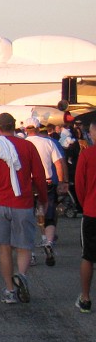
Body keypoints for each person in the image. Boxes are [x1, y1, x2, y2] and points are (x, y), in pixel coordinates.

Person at [0, 112, 47, 304]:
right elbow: (39, 176)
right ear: (14, 126)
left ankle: (10, 290)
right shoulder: (27, 146)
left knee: (4, 249)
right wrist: (43, 198)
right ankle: (22, 275)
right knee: (24, 246)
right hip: (22, 202)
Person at [24, 118, 67, 266]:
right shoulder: (48, 142)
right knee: (47, 215)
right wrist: (62, 182)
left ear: (26, 130)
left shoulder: (23, 144)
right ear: (38, 128)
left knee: (28, 218)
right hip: (46, 182)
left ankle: (31, 255)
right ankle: (48, 241)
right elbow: (59, 163)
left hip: (28, 184)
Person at [73, 110, 96, 312]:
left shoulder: (87, 154)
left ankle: (86, 298)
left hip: (92, 211)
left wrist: (84, 203)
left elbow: (79, 186)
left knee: (88, 256)